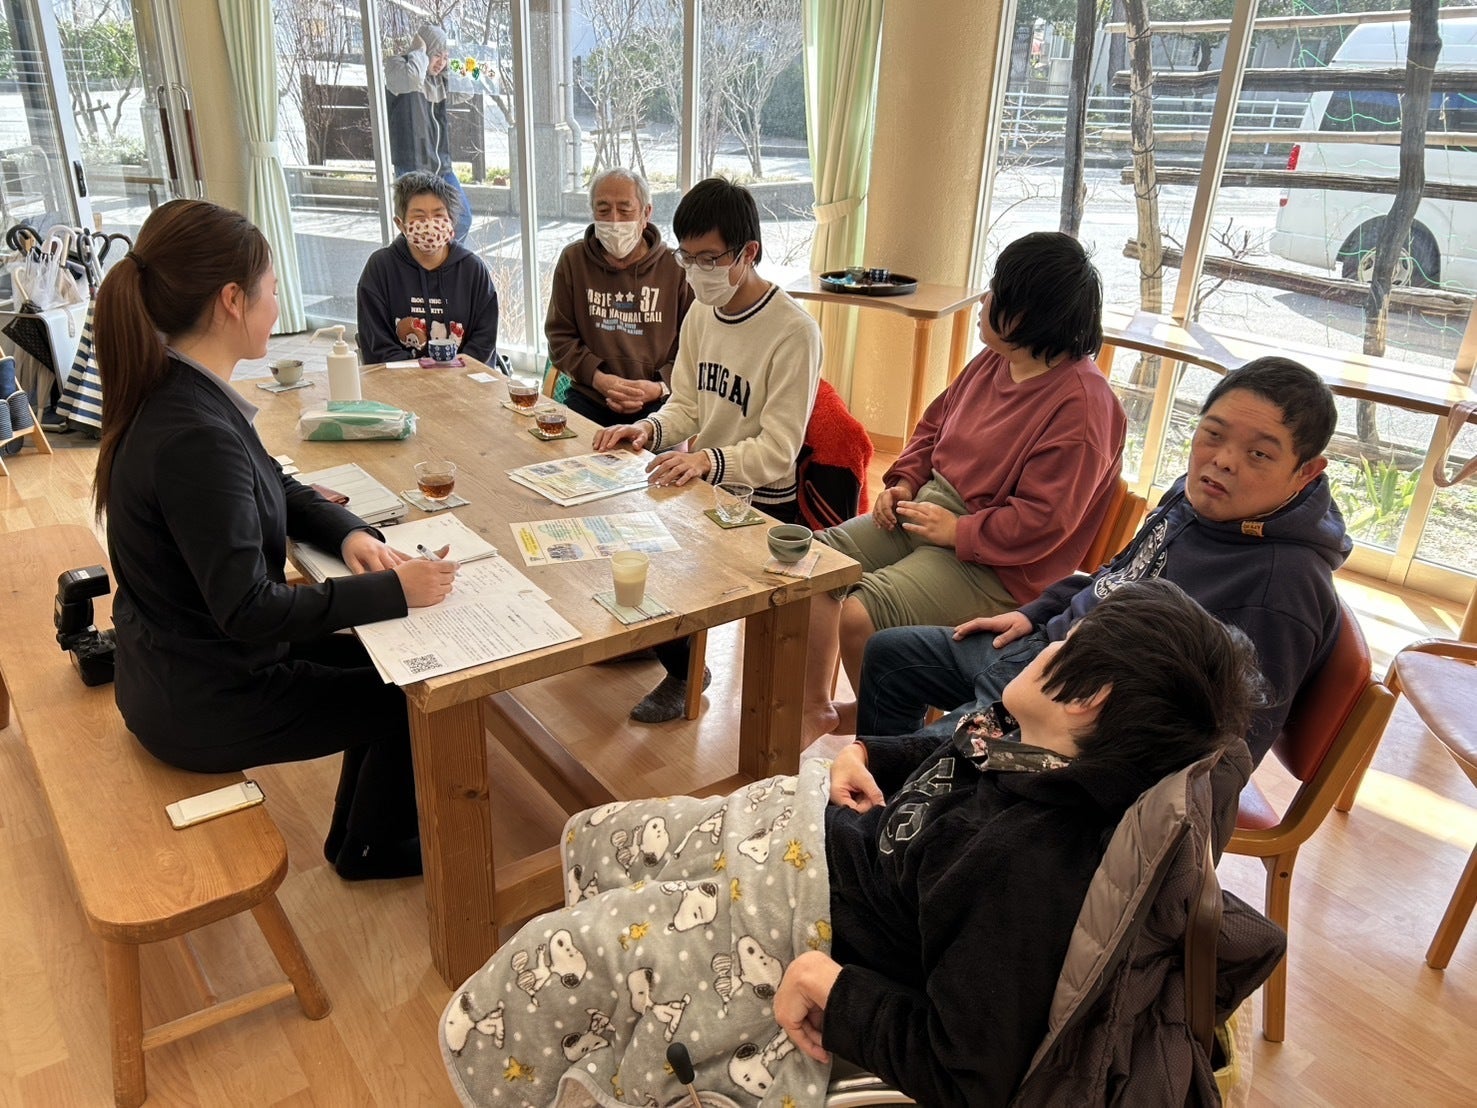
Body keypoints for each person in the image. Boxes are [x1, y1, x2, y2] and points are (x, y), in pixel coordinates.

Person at [440, 579, 1267, 1106]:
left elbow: (966, 1069)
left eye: (1067, 643)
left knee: (560, 954)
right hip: (809, 844)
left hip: (806, 914)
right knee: (607, 830)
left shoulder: (1028, 868)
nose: (1047, 642)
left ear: (1089, 698)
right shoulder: (1030, 748)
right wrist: (866, 751)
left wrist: (827, 987)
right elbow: (951, 753)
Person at [93, 199, 459, 881]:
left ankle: (360, 837)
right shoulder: (194, 434)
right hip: (204, 697)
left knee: (394, 664)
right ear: (232, 300)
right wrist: (393, 589)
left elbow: (274, 485)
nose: (276, 303)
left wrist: (349, 535)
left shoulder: (178, 390)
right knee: (408, 694)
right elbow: (249, 609)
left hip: (184, 662)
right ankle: (372, 849)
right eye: (270, 288)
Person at [856, 356, 1351, 766]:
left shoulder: (1283, 586)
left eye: (1259, 454)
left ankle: (896, 814)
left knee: (917, 761)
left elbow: (1232, 747)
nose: (1222, 460)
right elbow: (1117, 575)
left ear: (1306, 472)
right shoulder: (1196, 498)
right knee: (890, 656)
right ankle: (893, 809)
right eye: (1213, 434)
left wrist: (1075, 741)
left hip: (1082, 721)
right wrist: (1036, 613)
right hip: (1045, 649)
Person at [803, 231, 1125, 740]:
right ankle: (813, 711)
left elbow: (1044, 522)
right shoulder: (996, 359)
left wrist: (959, 531)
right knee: (811, 565)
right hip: (932, 514)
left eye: (996, 291)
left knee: (862, 613)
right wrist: (904, 481)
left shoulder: (1084, 407)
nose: (983, 300)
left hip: (1000, 566)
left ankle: (886, 740)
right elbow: (933, 427)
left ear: (1028, 314)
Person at [593, 177, 822, 723]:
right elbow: (688, 405)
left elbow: (779, 451)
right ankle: (672, 650)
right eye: (687, 257)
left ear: (748, 253)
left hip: (760, 502)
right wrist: (648, 430)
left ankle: (685, 669)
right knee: (620, 535)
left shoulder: (793, 331)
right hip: (708, 484)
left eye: (710, 259)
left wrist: (704, 460)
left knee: (664, 560)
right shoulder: (702, 311)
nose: (696, 271)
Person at [545, 167, 694, 427]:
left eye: (625, 210)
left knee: (653, 453)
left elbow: (695, 346)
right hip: (590, 395)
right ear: (592, 212)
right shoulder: (573, 260)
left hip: (659, 401)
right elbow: (559, 337)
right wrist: (598, 379)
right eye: (603, 210)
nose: (614, 221)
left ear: (646, 213)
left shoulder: (676, 268)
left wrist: (660, 386)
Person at [356, 172, 499, 365]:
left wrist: (454, 371)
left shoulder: (472, 269)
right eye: (419, 217)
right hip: (401, 379)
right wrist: (422, 375)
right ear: (400, 224)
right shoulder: (381, 268)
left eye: (438, 215)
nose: (430, 224)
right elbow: (377, 344)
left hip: (463, 377)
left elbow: (484, 340)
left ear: (451, 220)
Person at [384, 22, 472, 242]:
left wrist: (449, 65)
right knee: (418, 229)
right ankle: (423, 260)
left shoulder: (438, 81)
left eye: (445, 57)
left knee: (462, 219)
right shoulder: (398, 66)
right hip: (412, 167)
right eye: (436, 55)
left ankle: (446, 259)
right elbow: (413, 80)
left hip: (441, 165)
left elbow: (467, 91)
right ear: (424, 51)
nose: (441, 62)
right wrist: (420, 51)